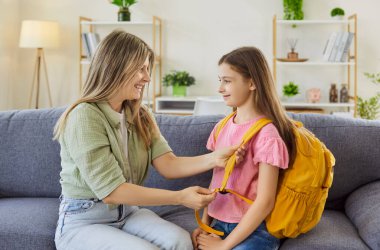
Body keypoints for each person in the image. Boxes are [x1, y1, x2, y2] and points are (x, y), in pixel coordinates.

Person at [53, 30, 246, 250]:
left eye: (147, 69)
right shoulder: (84, 116)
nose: (147, 78)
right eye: (141, 69)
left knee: (181, 242)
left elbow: (169, 164)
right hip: (84, 220)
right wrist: (180, 197)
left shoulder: (140, 115)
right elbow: (112, 192)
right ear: (117, 67)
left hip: (128, 212)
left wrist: (214, 159)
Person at [192, 47, 297, 250]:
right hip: (219, 224)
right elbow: (217, 181)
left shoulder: (267, 135)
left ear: (252, 83)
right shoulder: (221, 127)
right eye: (219, 80)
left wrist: (224, 246)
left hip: (255, 229)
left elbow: (265, 202)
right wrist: (205, 226)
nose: (220, 88)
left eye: (227, 81)